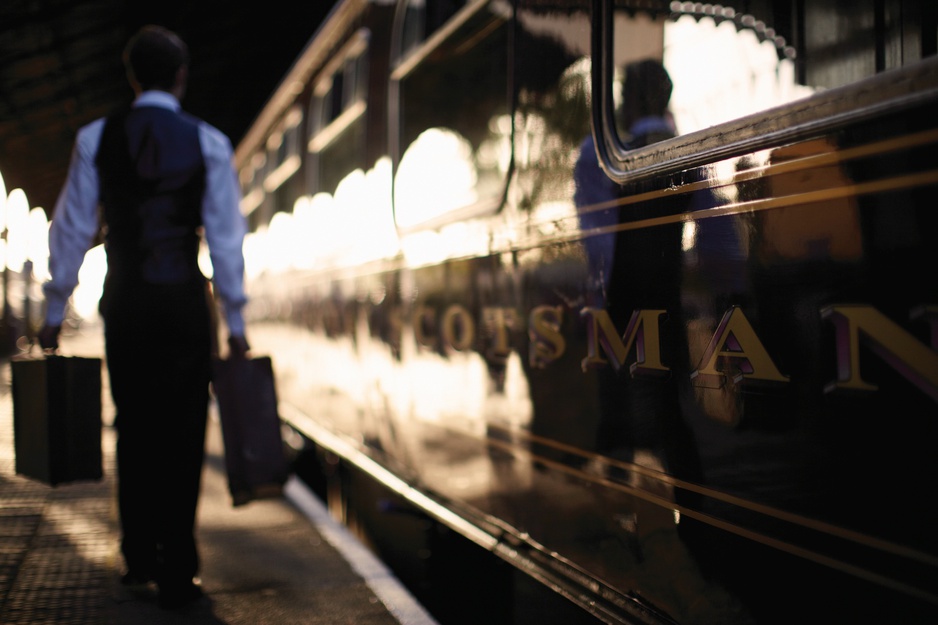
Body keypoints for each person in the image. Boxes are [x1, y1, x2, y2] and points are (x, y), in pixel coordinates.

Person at [37, 25, 250, 610]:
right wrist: (234, 325)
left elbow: (72, 229)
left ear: (131, 78)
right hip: (185, 302)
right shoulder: (208, 142)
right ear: (181, 77)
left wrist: (55, 310)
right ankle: (178, 569)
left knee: (133, 424)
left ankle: (137, 553)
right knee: (184, 429)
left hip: (126, 300)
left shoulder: (95, 137)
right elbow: (227, 242)